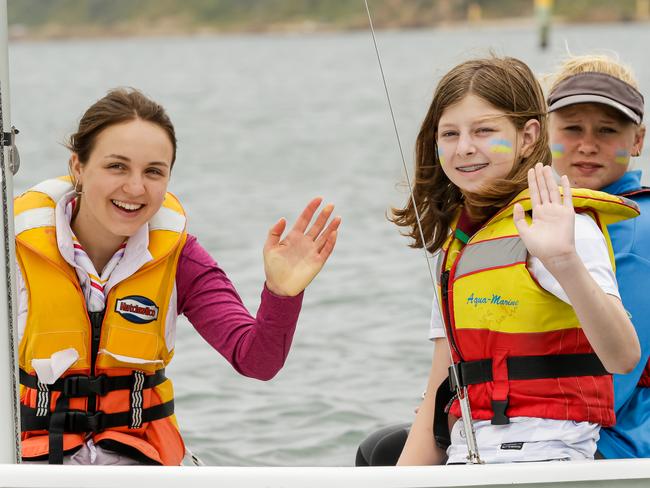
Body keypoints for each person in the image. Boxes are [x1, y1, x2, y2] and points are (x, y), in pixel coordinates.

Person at [15, 88, 341, 465]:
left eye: (153, 171)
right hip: (31, 465)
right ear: (78, 167)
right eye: (117, 166)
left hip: (143, 463)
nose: (135, 188)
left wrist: (282, 294)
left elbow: (257, 361)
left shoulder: (181, 257)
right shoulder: (15, 252)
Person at [383, 56, 640, 465]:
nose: (465, 147)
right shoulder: (458, 249)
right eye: (450, 133)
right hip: (469, 460)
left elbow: (623, 356)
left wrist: (564, 260)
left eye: (484, 131)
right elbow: (438, 392)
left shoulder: (565, 227)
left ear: (527, 136)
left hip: (552, 461)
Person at [546, 54, 649, 459]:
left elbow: (614, 379)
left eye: (607, 131)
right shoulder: (551, 217)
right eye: (572, 129)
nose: (587, 145)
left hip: (620, 442)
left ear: (637, 140)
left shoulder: (636, 229)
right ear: (542, 134)